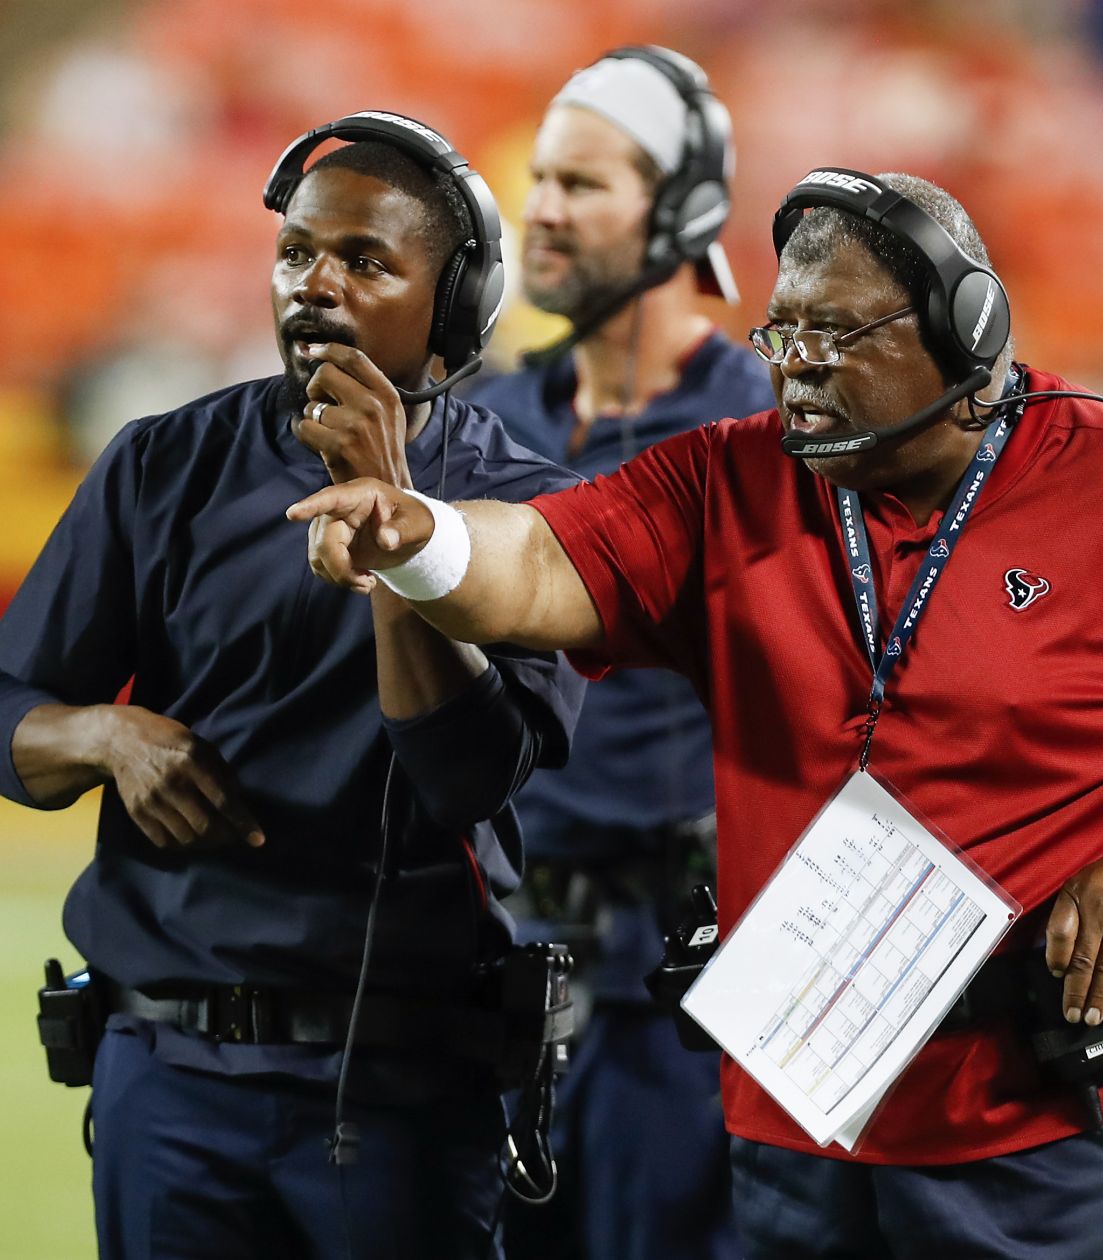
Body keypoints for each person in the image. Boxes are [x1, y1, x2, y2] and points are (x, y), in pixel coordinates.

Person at [291, 169, 1103, 1258]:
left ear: (966, 330)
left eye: (837, 332)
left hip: (1064, 1120)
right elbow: (532, 563)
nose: (795, 362)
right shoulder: (727, 480)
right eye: (781, 329)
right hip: (804, 1108)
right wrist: (415, 537)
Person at [0, 113, 582, 1259]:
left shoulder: (526, 511)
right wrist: (106, 738)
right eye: (297, 253)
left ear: (453, 306)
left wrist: (401, 539)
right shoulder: (161, 461)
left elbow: (465, 775)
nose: (316, 285)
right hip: (167, 1076)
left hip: (400, 1087)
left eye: (366, 261)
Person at [462, 46, 768, 1260]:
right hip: (495, 971)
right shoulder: (488, 416)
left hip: (682, 986)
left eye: (582, 184)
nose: (540, 208)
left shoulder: (766, 426)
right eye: (539, 178)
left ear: (683, 209)